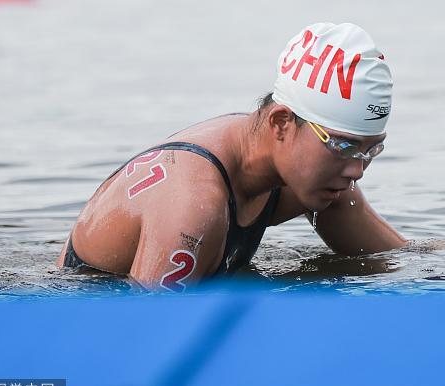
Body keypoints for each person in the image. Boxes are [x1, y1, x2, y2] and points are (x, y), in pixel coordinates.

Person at [56, 22, 408, 292]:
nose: (357, 170)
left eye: (371, 150)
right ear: (281, 123)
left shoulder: (312, 178)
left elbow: (402, 262)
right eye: (344, 146)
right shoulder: (194, 207)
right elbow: (143, 336)